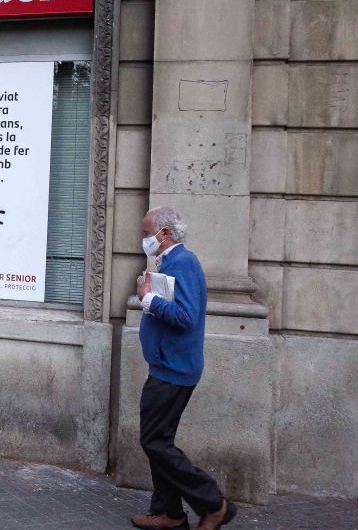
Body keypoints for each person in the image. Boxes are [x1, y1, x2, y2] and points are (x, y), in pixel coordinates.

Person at [130, 206, 236, 530]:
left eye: (147, 233)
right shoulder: (169, 262)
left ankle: (213, 504)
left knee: (155, 442)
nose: (144, 239)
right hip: (165, 367)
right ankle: (170, 514)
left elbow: (187, 317)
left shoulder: (184, 263)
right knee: (159, 440)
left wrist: (148, 299)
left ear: (164, 234)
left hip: (174, 371)